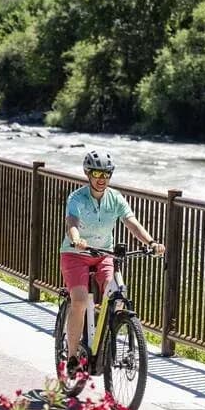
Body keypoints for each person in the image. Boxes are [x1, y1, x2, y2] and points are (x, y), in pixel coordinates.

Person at [59, 149, 165, 376]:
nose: (101, 178)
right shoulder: (76, 198)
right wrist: (76, 238)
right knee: (78, 301)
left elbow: (131, 222)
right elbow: (72, 222)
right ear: (88, 174)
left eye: (106, 174)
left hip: (104, 254)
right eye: (97, 173)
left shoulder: (115, 198)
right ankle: (72, 356)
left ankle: (105, 340)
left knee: (118, 295)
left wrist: (152, 242)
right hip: (75, 254)